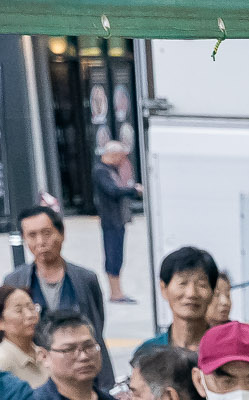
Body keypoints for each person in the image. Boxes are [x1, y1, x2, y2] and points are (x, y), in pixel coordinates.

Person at [7, 207, 111, 383]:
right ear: (24, 239)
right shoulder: (15, 281)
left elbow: (96, 324)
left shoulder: (85, 279)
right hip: (36, 375)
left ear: (61, 233)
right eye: (32, 235)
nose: (41, 242)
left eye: (47, 233)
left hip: (81, 372)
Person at [90, 140, 143, 305]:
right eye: (120, 157)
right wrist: (133, 190)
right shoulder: (101, 171)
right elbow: (113, 190)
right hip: (110, 220)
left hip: (118, 220)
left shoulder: (112, 170)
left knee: (118, 255)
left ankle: (117, 290)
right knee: (112, 255)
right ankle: (115, 292)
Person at [145, 247, 220, 355]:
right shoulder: (148, 352)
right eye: (182, 283)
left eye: (201, 285)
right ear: (163, 288)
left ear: (213, 291)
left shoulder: (226, 350)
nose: (191, 293)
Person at [0, 286, 40, 386]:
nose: (29, 315)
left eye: (31, 307)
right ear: (1, 322)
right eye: (19, 310)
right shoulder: (3, 362)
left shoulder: (44, 354)